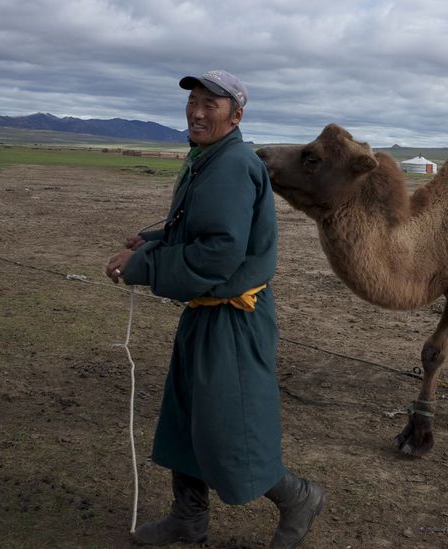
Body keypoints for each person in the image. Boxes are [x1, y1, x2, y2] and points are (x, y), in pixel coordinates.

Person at [105, 70, 325, 548]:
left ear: (236, 116)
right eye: (193, 102)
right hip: (206, 309)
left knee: (232, 426)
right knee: (187, 419)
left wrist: (143, 265)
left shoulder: (230, 165)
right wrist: (155, 239)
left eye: (211, 104)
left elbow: (221, 252)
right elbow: (199, 230)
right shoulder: (209, 157)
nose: (197, 112)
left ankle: (297, 498)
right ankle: (188, 519)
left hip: (233, 318)